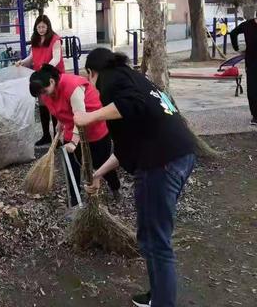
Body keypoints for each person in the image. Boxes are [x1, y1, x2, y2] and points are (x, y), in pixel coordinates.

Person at [73, 48, 196, 307]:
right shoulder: (135, 78)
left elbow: (130, 105)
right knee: (150, 235)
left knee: (156, 240)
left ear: (91, 73)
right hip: (180, 155)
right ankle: (158, 295)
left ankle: (163, 303)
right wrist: (98, 174)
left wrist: (89, 116)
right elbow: (126, 148)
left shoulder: (112, 80)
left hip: (160, 163)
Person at [29, 64, 120, 207]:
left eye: (44, 91)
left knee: (101, 164)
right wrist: (60, 121)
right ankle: (75, 202)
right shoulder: (46, 93)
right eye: (40, 94)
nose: (43, 96)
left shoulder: (72, 87)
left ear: (52, 82)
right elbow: (59, 106)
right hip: (72, 128)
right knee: (72, 165)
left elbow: (81, 117)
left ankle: (115, 188)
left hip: (93, 127)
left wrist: (74, 142)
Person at [17, 15, 64, 146]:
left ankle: (57, 137)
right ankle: (46, 135)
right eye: (39, 27)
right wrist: (23, 62)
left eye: (43, 27)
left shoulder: (55, 39)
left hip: (52, 75)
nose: (41, 29)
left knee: (55, 106)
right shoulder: (35, 40)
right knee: (43, 105)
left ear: (48, 26)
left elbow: (56, 58)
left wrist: (46, 67)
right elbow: (32, 57)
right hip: (40, 76)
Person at [230, 17, 257, 125]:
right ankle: (255, 116)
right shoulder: (247, 25)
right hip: (251, 62)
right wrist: (236, 48)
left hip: (251, 61)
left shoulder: (247, 24)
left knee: (253, 87)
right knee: (252, 88)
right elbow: (233, 33)